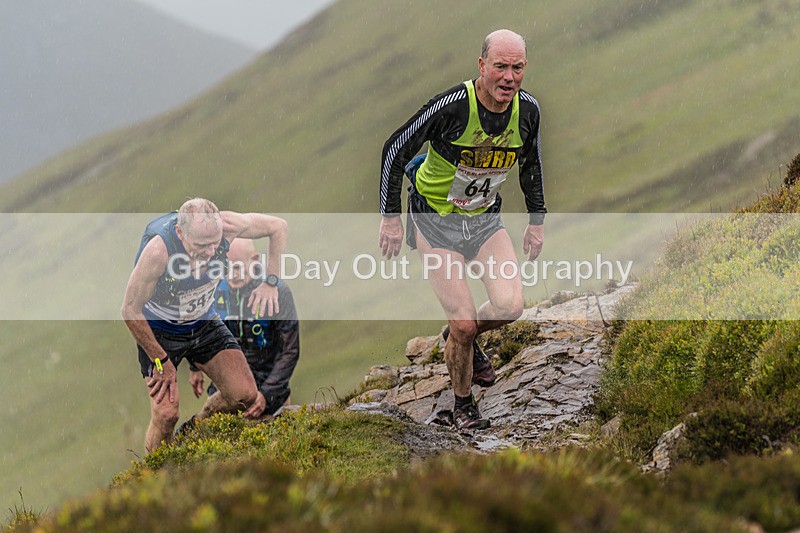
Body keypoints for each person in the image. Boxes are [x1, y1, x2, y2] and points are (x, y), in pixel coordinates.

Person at [378, 29, 546, 430]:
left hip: (484, 220)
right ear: (482, 66)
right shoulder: (453, 106)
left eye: (517, 68)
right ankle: (463, 405)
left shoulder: (528, 111)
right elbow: (394, 149)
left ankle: (457, 337)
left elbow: (531, 165)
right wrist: (390, 217)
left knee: (509, 307)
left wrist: (537, 221)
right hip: (435, 222)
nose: (509, 77)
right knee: (465, 323)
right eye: (500, 67)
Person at [121, 198, 288, 452]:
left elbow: (278, 227)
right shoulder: (158, 252)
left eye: (215, 243)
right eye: (201, 245)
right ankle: (155, 471)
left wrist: (271, 282)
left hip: (203, 322)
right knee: (166, 415)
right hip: (160, 331)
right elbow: (130, 310)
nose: (211, 252)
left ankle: (196, 429)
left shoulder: (228, 225)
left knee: (244, 396)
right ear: (180, 233)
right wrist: (160, 360)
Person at [187, 238, 300, 419]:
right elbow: (198, 329)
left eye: (238, 267)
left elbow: (290, 351)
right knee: (206, 429)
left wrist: (266, 394)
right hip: (227, 387)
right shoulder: (214, 289)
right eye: (228, 267)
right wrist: (194, 366)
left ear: (254, 260)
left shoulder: (279, 293)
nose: (233, 274)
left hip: (271, 393)